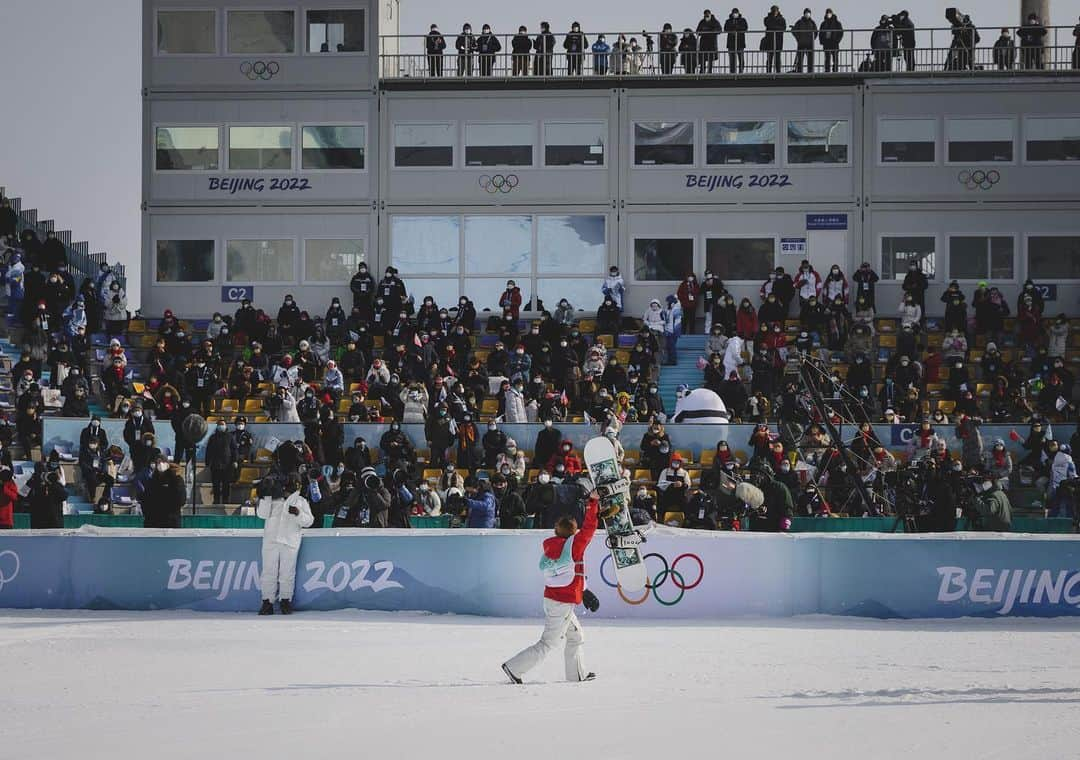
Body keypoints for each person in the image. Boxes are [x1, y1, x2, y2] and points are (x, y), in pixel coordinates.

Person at [502, 492, 599, 684]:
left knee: (576, 636)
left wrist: (584, 591)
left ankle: (576, 675)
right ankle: (514, 668)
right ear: (573, 532)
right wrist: (593, 503)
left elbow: (573, 573)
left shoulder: (551, 547)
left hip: (554, 600)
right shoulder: (574, 546)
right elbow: (590, 527)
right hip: (562, 604)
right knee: (547, 643)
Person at [257, 475, 314, 615]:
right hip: (271, 540)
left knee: (287, 573)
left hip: (289, 541)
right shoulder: (272, 500)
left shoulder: (300, 501)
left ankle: (285, 600)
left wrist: (298, 513)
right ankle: (267, 601)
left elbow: (309, 521)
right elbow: (261, 514)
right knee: (268, 572)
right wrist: (266, 495)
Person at [142, 455, 185, 529]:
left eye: (162, 462)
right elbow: (145, 500)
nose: (160, 464)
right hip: (152, 523)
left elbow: (181, 500)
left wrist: (177, 479)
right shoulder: (151, 481)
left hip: (171, 523)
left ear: (167, 464)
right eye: (158, 462)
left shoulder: (176, 480)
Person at [205, 420, 238, 505]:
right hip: (215, 464)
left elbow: (234, 449)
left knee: (226, 484)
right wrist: (207, 462)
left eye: (222, 424)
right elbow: (208, 450)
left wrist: (235, 460)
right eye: (219, 425)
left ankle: (225, 500)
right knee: (215, 483)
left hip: (227, 464)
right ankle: (216, 500)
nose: (221, 426)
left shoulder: (230, 436)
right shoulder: (213, 437)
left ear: (226, 426)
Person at [791, 8, 817, 73]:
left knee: (810, 60)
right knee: (800, 59)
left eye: (808, 13)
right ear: (804, 14)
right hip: (801, 43)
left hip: (810, 44)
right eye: (806, 13)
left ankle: (810, 72)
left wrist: (812, 39)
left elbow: (816, 32)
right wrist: (798, 38)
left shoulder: (812, 22)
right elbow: (794, 30)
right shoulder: (799, 22)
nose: (807, 14)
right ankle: (800, 72)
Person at [695, 9, 721, 73]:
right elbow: (698, 31)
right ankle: (702, 71)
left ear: (710, 14)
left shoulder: (715, 21)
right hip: (703, 43)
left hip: (712, 43)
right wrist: (704, 31)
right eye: (705, 15)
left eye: (708, 14)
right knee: (703, 58)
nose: (706, 16)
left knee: (710, 58)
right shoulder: (702, 22)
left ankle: (709, 71)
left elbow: (719, 30)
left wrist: (711, 31)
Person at [763, 5, 787, 73]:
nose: (775, 12)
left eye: (776, 10)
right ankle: (768, 72)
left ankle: (778, 72)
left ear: (778, 11)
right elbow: (768, 24)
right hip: (769, 41)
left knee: (777, 58)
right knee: (769, 58)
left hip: (778, 41)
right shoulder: (767, 18)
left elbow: (783, 28)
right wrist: (776, 27)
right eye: (773, 10)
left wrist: (774, 27)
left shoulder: (782, 19)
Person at [724, 8, 748, 73]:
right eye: (734, 12)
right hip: (731, 43)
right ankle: (732, 72)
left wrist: (737, 28)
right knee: (732, 59)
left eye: (736, 12)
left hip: (740, 42)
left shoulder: (743, 20)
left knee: (741, 59)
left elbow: (745, 28)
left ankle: (741, 72)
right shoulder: (728, 21)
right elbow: (725, 28)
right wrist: (732, 29)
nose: (735, 14)